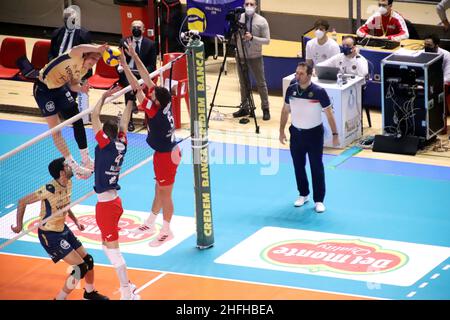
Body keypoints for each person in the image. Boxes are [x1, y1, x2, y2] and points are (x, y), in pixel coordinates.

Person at [11, 158, 108, 300]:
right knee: (80, 268)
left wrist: (75, 221)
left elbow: (65, 205)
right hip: (49, 235)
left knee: (88, 260)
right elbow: (22, 201)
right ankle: (60, 298)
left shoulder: (68, 183)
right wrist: (19, 226)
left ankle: (89, 292)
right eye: (67, 165)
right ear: (62, 172)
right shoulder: (48, 190)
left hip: (63, 229)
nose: (71, 166)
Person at [119, 41, 181, 246]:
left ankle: (166, 230)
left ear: (155, 102)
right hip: (167, 150)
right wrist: (134, 56)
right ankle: (152, 220)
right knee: (159, 189)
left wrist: (125, 66)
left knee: (166, 194)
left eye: (152, 95)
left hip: (167, 155)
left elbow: (137, 86)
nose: (150, 93)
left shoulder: (154, 110)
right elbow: (146, 78)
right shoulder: (165, 100)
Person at [91, 84, 139, 300]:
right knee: (106, 248)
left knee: (114, 252)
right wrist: (130, 100)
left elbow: (93, 116)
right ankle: (127, 284)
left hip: (107, 206)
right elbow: (125, 124)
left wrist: (103, 97)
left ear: (105, 135)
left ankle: (128, 292)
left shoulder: (106, 145)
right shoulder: (121, 144)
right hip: (112, 203)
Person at [33, 43, 108, 179]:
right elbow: (78, 47)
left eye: (97, 60)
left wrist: (81, 89)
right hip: (43, 90)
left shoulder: (84, 70)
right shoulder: (75, 55)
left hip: (60, 89)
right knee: (56, 131)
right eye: (93, 58)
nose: (94, 62)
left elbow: (72, 84)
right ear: (86, 55)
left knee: (77, 120)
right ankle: (74, 166)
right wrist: (97, 49)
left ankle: (86, 159)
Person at [279, 62, 339, 213]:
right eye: (296, 73)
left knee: (316, 167)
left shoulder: (319, 91)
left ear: (309, 74)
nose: (297, 76)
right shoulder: (291, 89)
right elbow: (285, 110)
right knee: (298, 166)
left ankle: (319, 200)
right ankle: (303, 194)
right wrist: (281, 130)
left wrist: (335, 134)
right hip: (296, 134)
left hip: (314, 134)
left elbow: (329, 114)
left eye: (301, 74)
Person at [49, 6, 93, 125]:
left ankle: (69, 114)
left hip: (75, 70)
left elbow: (88, 55)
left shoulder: (84, 34)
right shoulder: (57, 33)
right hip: (58, 70)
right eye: (66, 18)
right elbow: (52, 52)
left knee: (70, 94)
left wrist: (84, 73)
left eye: (71, 18)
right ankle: (59, 112)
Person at [232, 0, 271, 121]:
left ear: (256, 6)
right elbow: (233, 36)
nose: (249, 6)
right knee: (243, 83)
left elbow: (267, 40)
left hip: (255, 56)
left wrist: (253, 38)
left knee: (261, 83)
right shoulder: (238, 19)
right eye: (247, 4)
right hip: (241, 55)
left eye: (251, 4)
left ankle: (265, 108)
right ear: (243, 6)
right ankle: (245, 107)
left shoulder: (262, 21)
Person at [118, 20, 157, 132]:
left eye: (139, 27)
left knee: (131, 87)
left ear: (143, 30)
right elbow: (119, 61)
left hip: (141, 74)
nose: (136, 29)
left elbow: (152, 65)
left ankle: (132, 101)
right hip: (127, 73)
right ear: (130, 29)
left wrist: (142, 75)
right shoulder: (123, 42)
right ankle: (129, 121)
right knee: (129, 84)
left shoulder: (150, 44)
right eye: (134, 27)